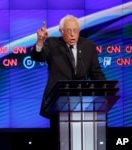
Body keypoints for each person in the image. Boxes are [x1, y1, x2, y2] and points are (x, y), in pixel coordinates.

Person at [30, 14, 106, 149]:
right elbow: (38, 57)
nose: (72, 35)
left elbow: (96, 73)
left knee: (82, 143)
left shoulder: (88, 46)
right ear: (61, 31)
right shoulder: (53, 44)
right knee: (60, 143)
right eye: (69, 31)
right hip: (58, 103)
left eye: (75, 30)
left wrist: (105, 91)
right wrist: (40, 42)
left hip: (83, 104)